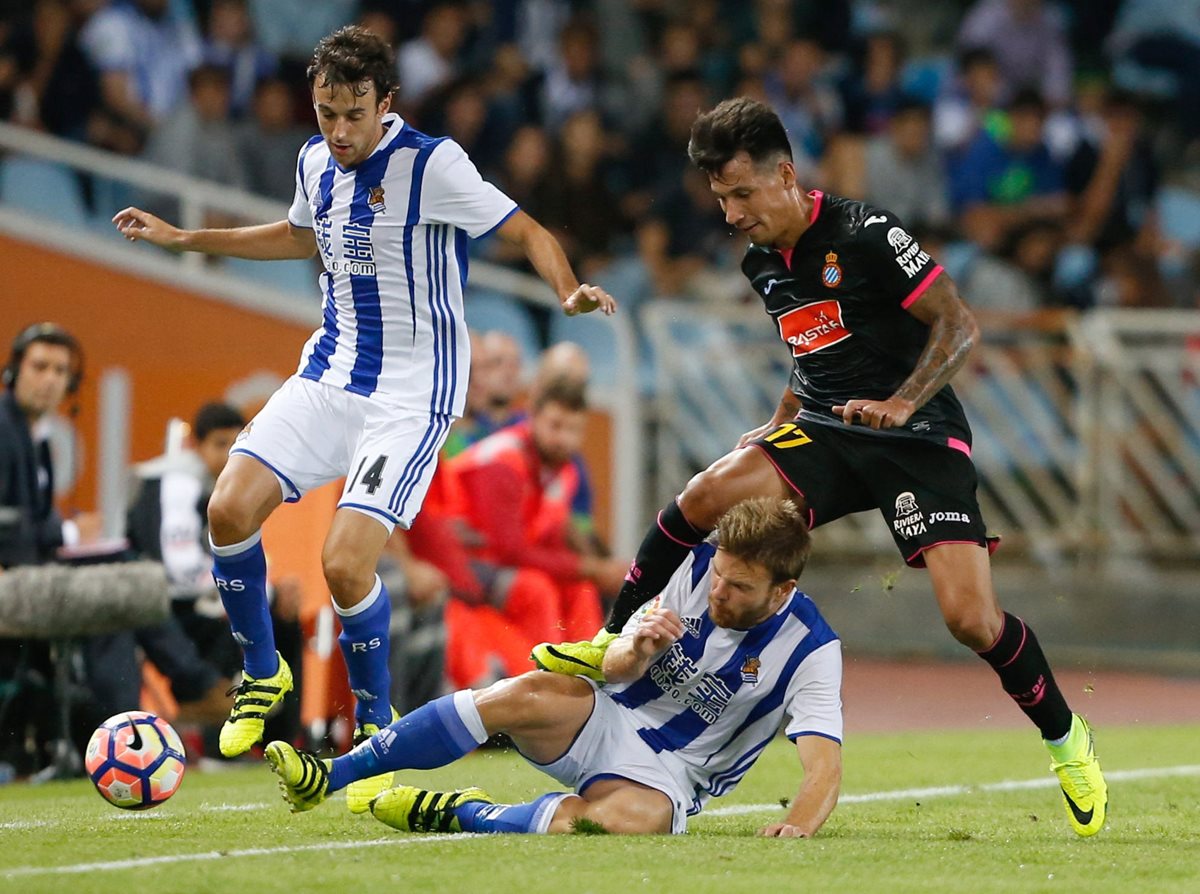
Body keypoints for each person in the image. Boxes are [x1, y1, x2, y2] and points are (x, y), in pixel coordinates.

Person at [533, 97, 1108, 837]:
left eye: (743, 194)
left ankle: (1067, 739)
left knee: (971, 619)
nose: (733, 213)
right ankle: (614, 638)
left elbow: (960, 325)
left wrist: (902, 402)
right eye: (720, 199)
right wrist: (775, 424)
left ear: (785, 175)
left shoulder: (866, 233)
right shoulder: (760, 259)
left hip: (918, 435)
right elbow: (812, 349)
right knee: (709, 491)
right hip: (830, 430)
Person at [110, 25, 616, 813]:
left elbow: (524, 228)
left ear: (387, 102)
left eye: (352, 114)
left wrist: (566, 287)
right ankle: (262, 671)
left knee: (347, 564)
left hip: (414, 396)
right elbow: (294, 234)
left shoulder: (431, 164)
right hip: (331, 371)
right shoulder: (315, 160)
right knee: (228, 507)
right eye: (324, 113)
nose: (338, 132)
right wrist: (187, 238)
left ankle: (374, 733)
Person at [265, 497, 843, 839]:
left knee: (615, 825)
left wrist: (798, 824)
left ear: (782, 589)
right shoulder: (690, 569)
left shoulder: (811, 650)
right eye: (718, 573)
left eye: (739, 587)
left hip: (672, 776)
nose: (718, 592)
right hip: (606, 717)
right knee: (529, 690)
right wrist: (638, 647)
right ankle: (332, 775)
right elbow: (612, 666)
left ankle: (457, 812)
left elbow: (823, 766)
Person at [0, 322, 93, 773]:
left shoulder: (34, 438)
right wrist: (73, 537)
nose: (51, 379)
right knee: (112, 604)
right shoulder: (3, 429)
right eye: (40, 366)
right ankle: (102, 732)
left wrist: (72, 533)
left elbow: (36, 521)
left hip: (27, 576)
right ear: (14, 371)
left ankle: (79, 738)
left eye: (61, 370)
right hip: (12, 579)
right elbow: (11, 525)